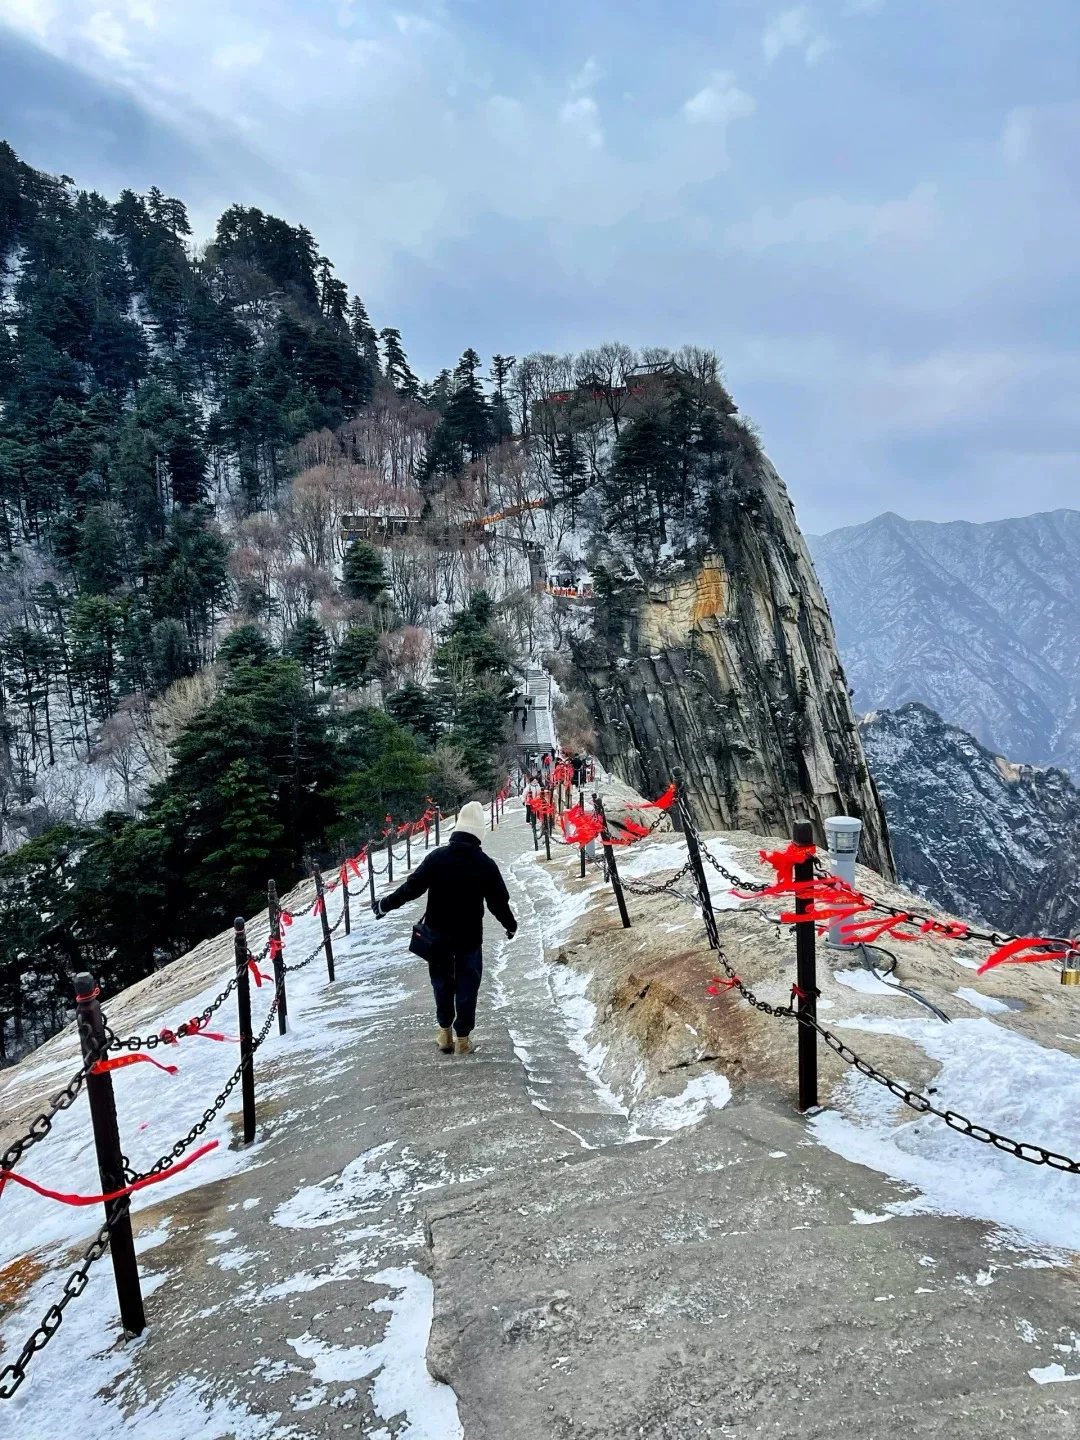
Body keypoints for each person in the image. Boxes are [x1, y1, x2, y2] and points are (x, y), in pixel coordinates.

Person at [372, 800, 517, 1055]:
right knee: (467, 985)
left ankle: (444, 1034)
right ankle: (463, 1039)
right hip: (469, 937)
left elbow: (411, 888)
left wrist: (385, 905)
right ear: (479, 832)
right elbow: (498, 902)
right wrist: (510, 925)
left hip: (437, 935)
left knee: (441, 983)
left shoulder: (437, 858)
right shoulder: (485, 864)